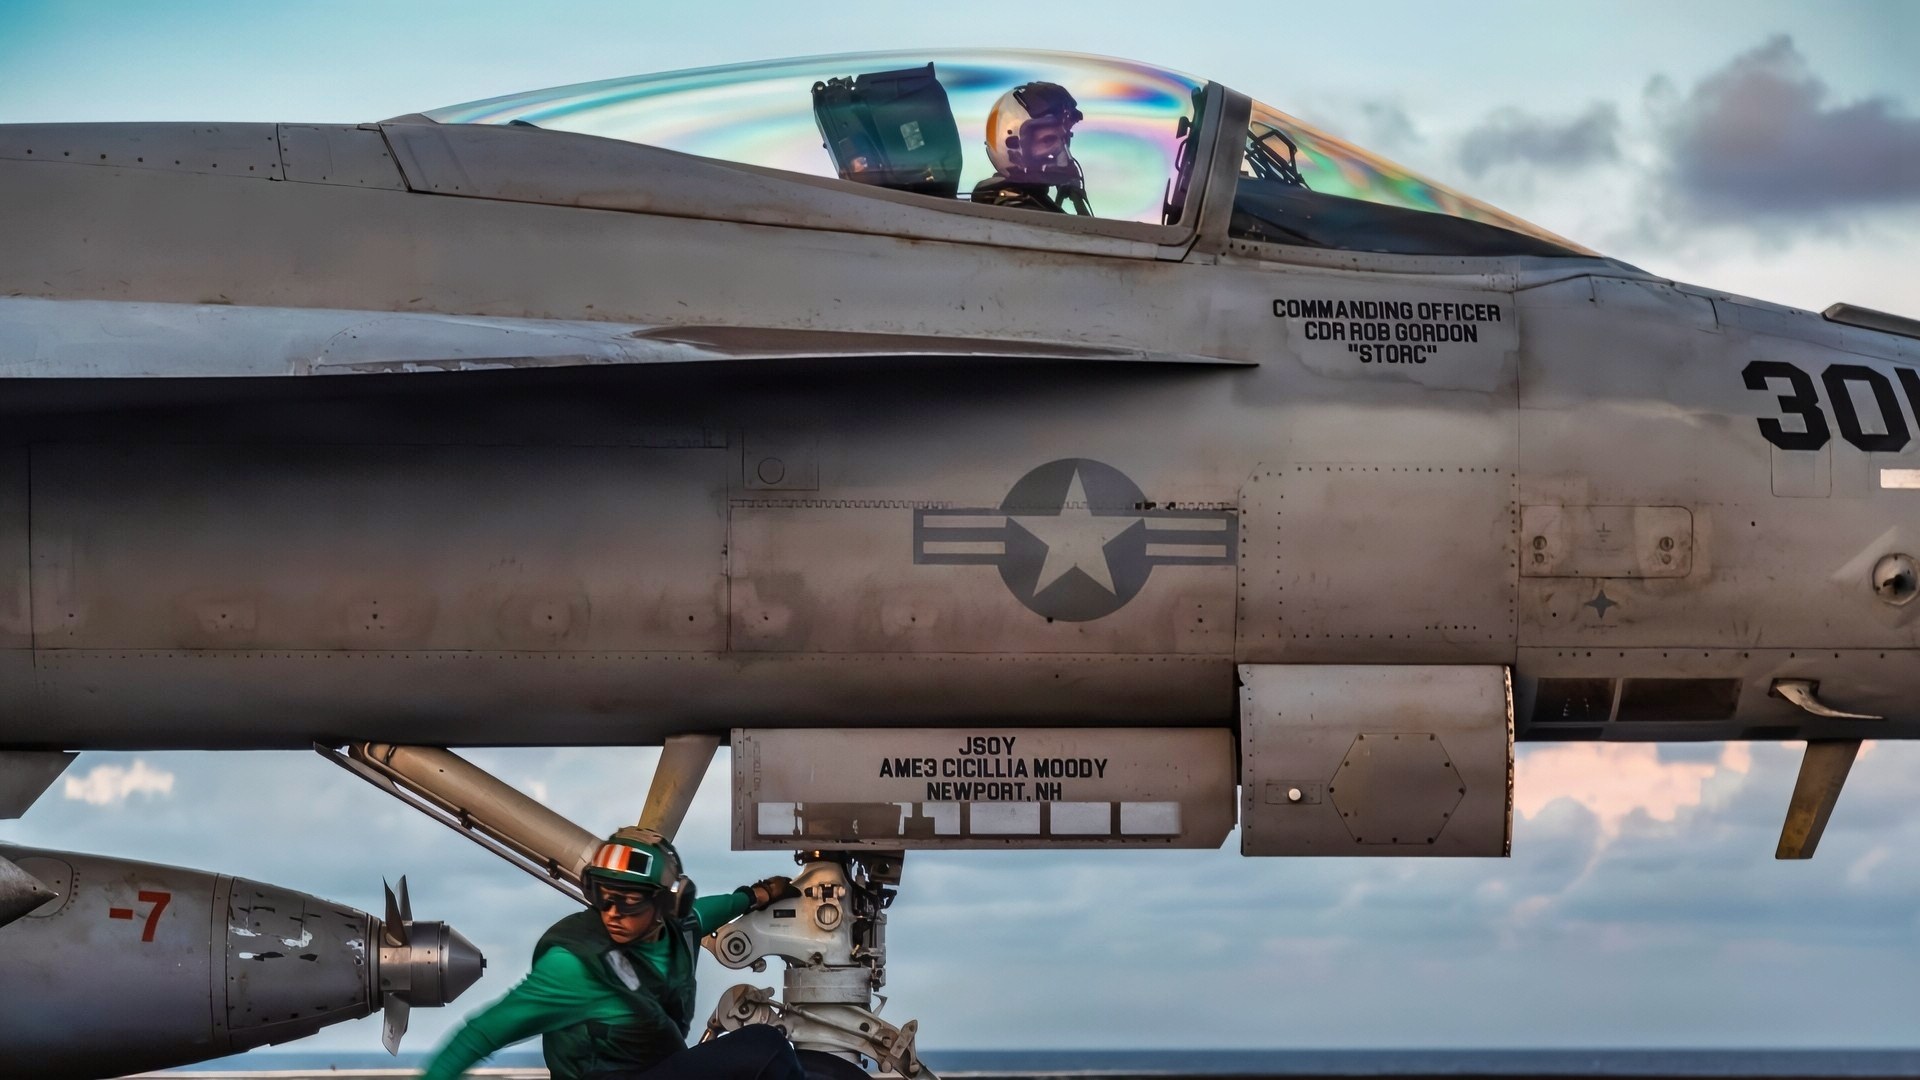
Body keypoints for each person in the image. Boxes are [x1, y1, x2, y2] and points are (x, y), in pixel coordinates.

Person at [421, 827, 803, 1080]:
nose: (613, 914)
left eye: (630, 902)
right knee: (765, 1048)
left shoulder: (682, 929)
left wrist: (758, 895)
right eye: (603, 898)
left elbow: (713, 908)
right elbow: (481, 1034)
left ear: (667, 904)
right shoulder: (574, 966)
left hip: (657, 1069)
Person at [970, 81, 1094, 215]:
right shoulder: (1019, 216)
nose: (1063, 154)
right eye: (1048, 140)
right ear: (1012, 145)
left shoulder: (1035, 206)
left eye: (1065, 140)